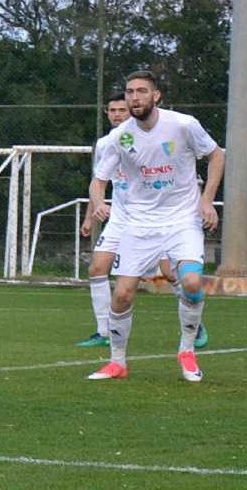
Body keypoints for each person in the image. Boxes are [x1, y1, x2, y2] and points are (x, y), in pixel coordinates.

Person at [87, 70, 224, 383]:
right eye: (130, 92)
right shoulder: (119, 137)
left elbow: (216, 156)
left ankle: (187, 350)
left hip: (182, 219)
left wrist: (207, 201)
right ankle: (117, 362)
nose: (135, 97)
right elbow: (98, 180)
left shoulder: (183, 125)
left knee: (191, 282)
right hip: (138, 223)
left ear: (156, 96)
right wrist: (98, 203)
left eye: (142, 91)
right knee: (122, 294)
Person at [77, 91, 208, 349]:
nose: (117, 115)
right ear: (106, 113)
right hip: (120, 217)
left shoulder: (156, 136)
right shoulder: (106, 144)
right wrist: (92, 214)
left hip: (156, 218)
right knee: (96, 268)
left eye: (121, 110)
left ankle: (195, 320)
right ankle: (103, 331)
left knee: (170, 273)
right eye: (112, 110)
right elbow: (99, 182)